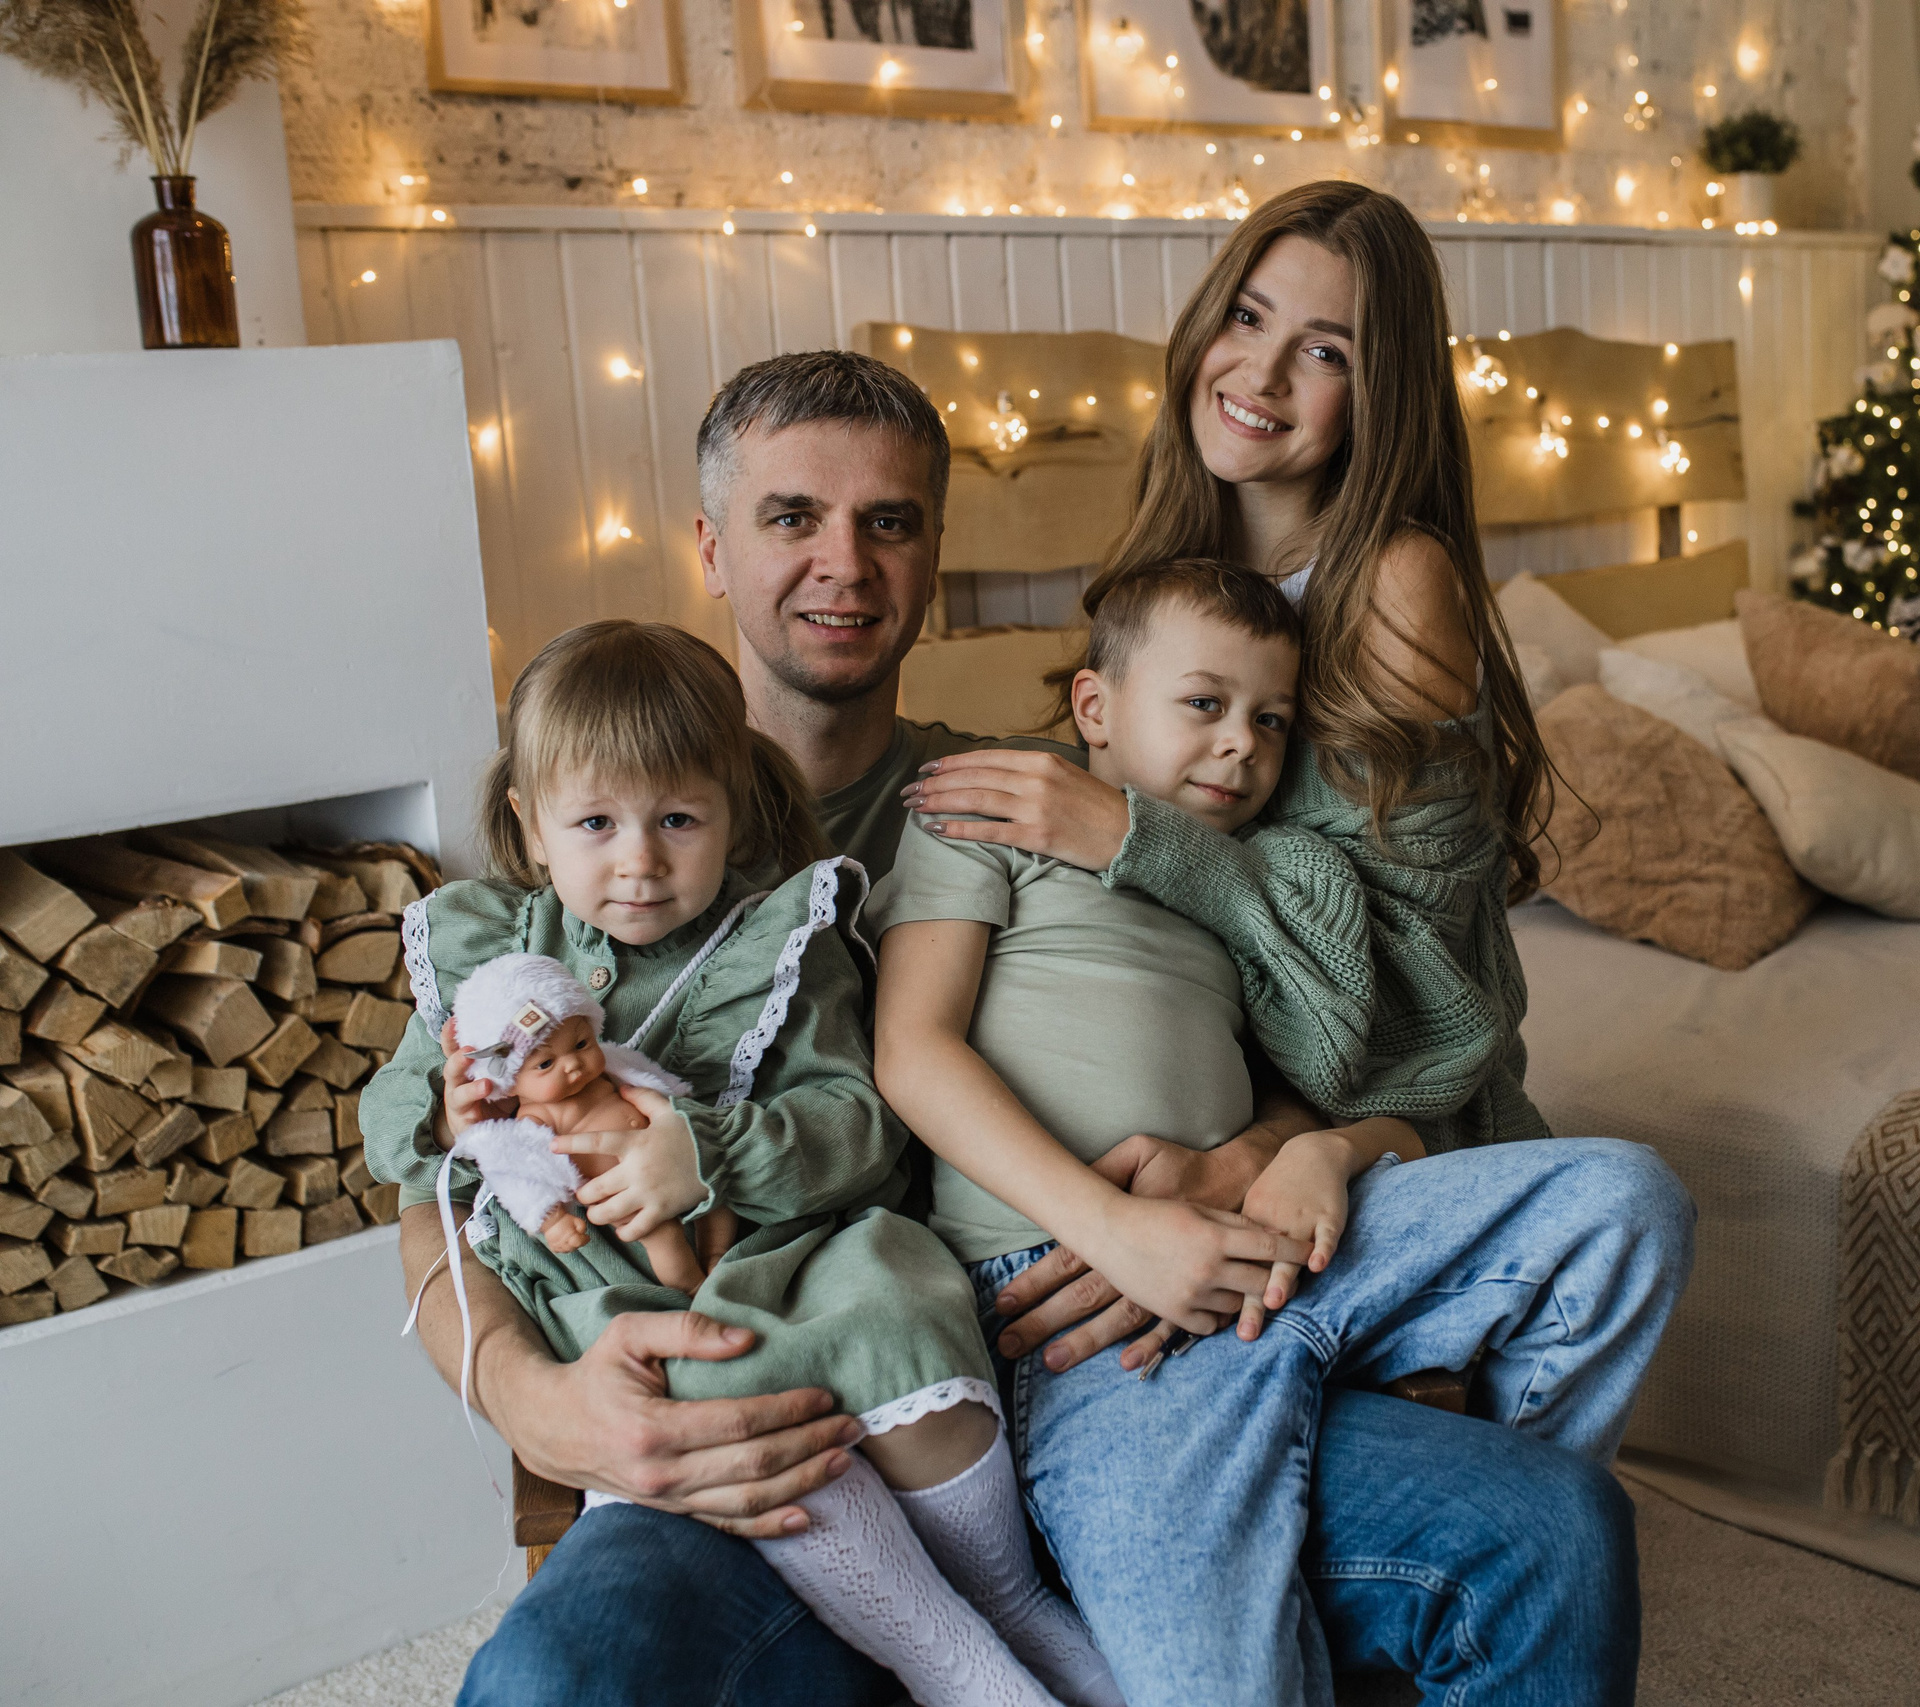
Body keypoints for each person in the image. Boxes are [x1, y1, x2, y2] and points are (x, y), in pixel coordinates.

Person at [434, 347, 1658, 1706]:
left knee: (1552, 1532)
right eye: (793, 516)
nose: (844, 559)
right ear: (712, 547)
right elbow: (437, 1192)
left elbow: (1276, 1011)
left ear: (935, 556)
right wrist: (525, 1393)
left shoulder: (1026, 790)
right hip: (775, 1422)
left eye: (888, 520)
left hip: (1084, 1356)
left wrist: (1243, 1155)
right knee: (554, 1676)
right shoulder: (583, 846)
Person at [893, 183, 1697, 1704]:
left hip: (1376, 1131)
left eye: (1323, 350)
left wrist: (1268, 1141)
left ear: (1379, 395)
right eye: (1248, 318)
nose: (1259, 374)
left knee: (1621, 1220)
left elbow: (1422, 1007)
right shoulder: (1162, 590)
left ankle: (1455, 1465)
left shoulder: (1395, 584)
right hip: (1183, 1194)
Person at [367, 619, 1117, 1706]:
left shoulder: (782, 935)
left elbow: (860, 1121)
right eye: (594, 822)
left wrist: (706, 1153)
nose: (639, 860)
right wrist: (444, 1111)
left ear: (736, 802)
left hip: (796, 1253)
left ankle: (1004, 1604)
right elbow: (393, 1150)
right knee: (721, 1401)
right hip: (618, 1295)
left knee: (891, 1308)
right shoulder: (489, 957)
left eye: (679, 817)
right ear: (531, 826)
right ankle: (953, 1665)